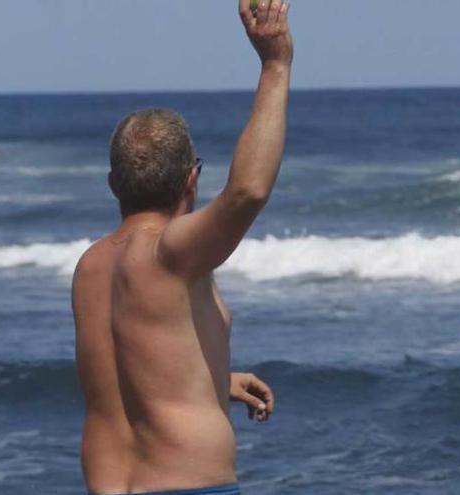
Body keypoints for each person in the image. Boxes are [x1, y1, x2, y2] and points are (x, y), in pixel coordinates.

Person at [71, 1, 293, 493]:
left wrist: (215, 381)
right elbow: (247, 191)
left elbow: (130, 375)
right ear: (191, 179)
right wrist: (275, 65)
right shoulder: (170, 253)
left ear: (114, 185)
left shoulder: (90, 267)